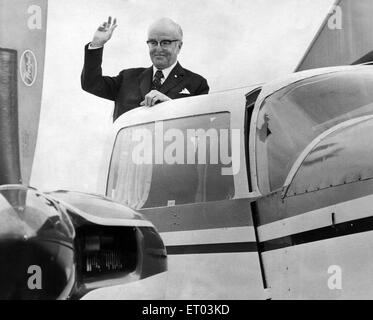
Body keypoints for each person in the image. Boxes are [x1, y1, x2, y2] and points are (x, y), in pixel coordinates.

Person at [81, 16, 209, 121]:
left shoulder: (197, 84)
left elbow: (201, 125)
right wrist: (97, 44)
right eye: (153, 42)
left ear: (179, 46)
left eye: (165, 42)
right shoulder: (127, 78)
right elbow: (91, 84)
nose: (158, 49)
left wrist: (171, 105)